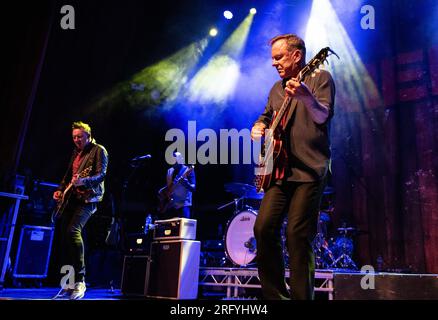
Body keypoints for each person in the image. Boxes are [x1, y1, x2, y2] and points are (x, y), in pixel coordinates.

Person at [251, 34, 335, 300]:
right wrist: (259, 127)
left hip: (310, 170)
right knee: (262, 228)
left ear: (297, 56)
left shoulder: (320, 78)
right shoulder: (276, 89)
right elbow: (264, 117)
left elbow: (322, 114)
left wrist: (306, 97)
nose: (274, 63)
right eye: (273, 58)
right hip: (279, 172)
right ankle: (276, 297)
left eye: (279, 57)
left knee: (297, 235)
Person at [52, 121, 109, 299]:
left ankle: (81, 281)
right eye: (74, 137)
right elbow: (68, 175)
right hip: (72, 198)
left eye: (80, 136)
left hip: (89, 198)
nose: (76, 139)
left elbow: (102, 174)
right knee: (66, 237)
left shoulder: (99, 150)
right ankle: (69, 283)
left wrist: (84, 181)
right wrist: (61, 190)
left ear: (88, 135)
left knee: (73, 231)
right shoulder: (76, 153)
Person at [158, 152, 195, 219]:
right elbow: (169, 186)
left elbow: (193, 188)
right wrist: (162, 191)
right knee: (168, 228)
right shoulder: (169, 171)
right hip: (171, 205)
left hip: (183, 205)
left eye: (176, 159)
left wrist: (186, 184)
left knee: (183, 228)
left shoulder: (188, 170)